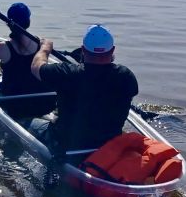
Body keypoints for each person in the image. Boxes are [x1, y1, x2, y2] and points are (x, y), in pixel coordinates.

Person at [30, 24, 138, 153]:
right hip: (107, 147)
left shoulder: (68, 73)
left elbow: (36, 67)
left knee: (27, 122)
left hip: (65, 146)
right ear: (112, 50)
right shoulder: (126, 76)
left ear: (83, 49)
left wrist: (45, 48)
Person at [0, 2, 48, 97]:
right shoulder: (41, 43)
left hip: (12, 102)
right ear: (28, 21)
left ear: (9, 24)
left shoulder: (3, 47)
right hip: (41, 100)